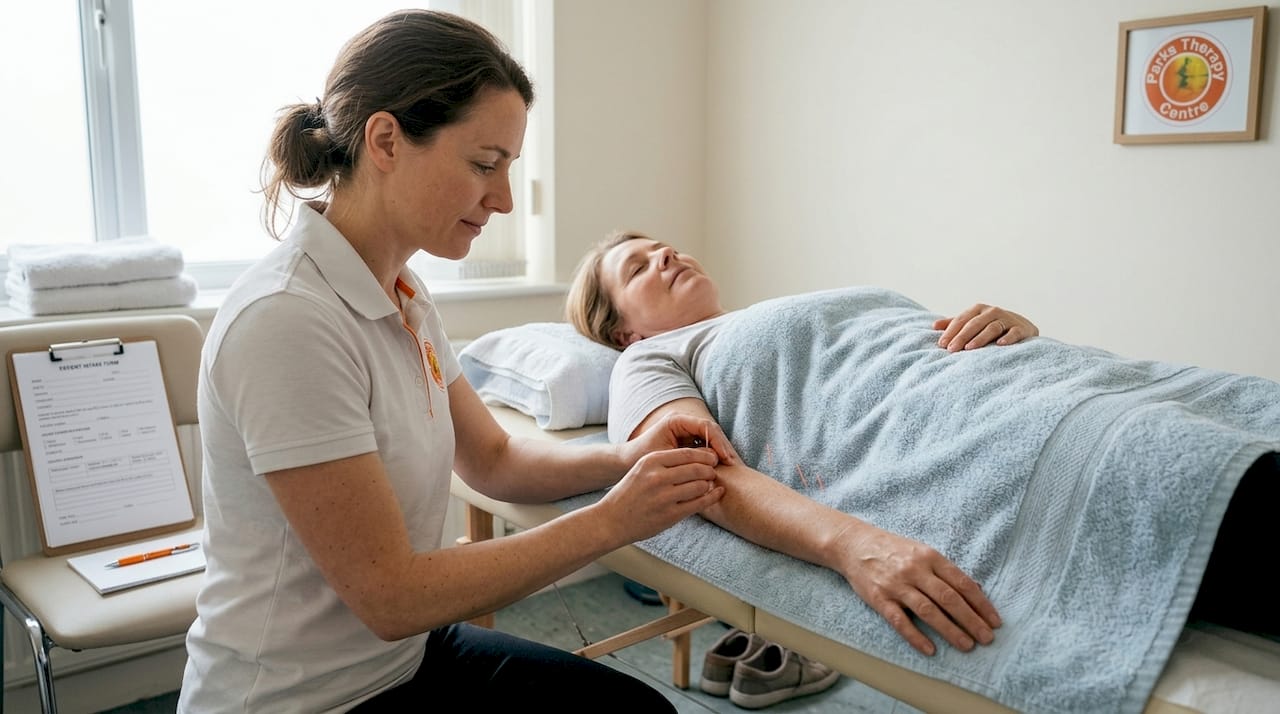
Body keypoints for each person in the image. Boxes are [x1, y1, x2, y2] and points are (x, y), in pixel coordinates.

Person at [178, 14, 739, 713]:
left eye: (508, 168)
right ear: (386, 141)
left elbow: (495, 459)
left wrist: (626, 457)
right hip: (306, 699)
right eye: (484, 164)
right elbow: (391, 596)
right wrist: (614, 520)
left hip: (399, 659)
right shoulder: (287, 320)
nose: (503, 198)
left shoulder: (403, 295)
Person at [565, 229, 1279, 663]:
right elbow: (693, 470)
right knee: (1188, 472)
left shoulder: (768, 312)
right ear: (625, 330)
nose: (666, 257)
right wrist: (850, 545)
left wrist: (1013, 327)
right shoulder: (651, 361)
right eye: (638, 269)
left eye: (666, 248)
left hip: (1045, 380)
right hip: (993, 433)